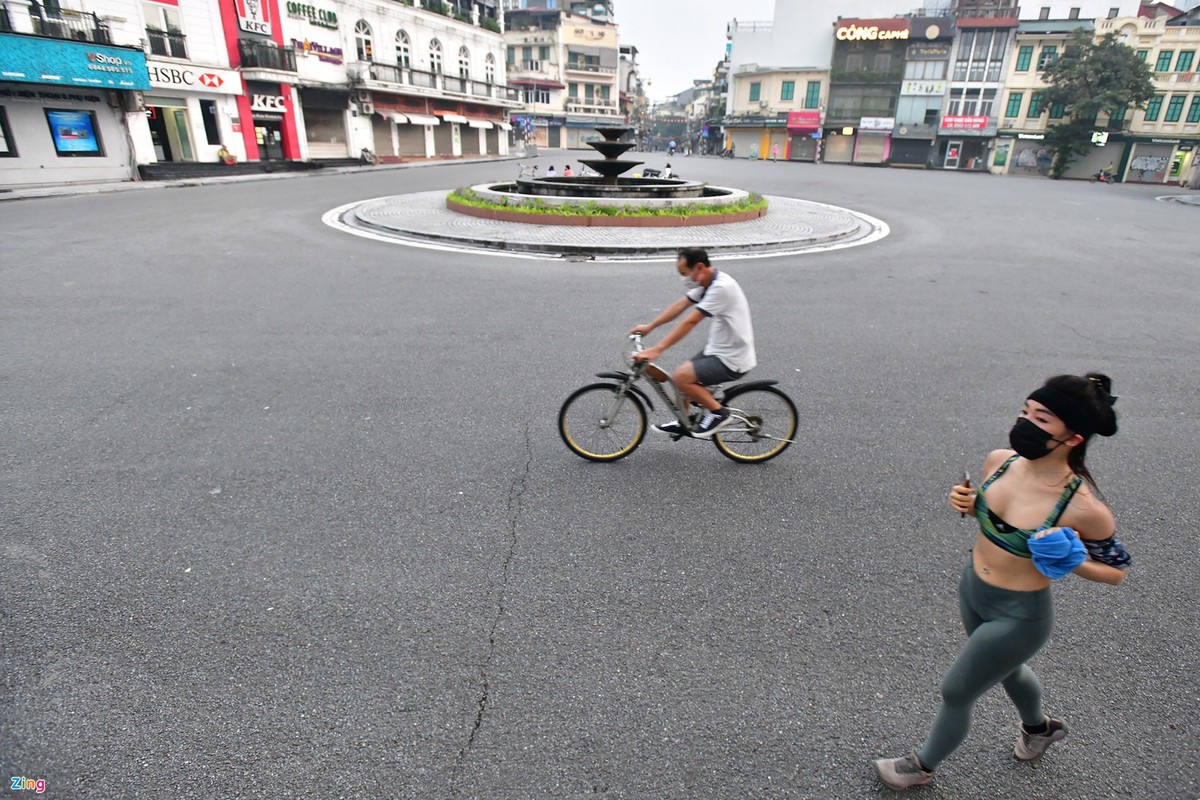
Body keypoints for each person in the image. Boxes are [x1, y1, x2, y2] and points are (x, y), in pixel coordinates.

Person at [873, 373, 1131, 790]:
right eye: (1024, 411)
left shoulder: (1084, 507)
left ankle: (920, 767)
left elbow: (1116, 573)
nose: (1025, 423)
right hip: (973, 589)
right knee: (1008, 672)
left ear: (1074, 438)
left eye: (1042, 419)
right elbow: (996, 521)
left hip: (1019, 615)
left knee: (957, 690)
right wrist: (972, 505)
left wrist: (1074, 561)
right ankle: (1040, 728)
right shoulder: (1000, 461)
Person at [629, 248, 756, 438]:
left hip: (732, 358)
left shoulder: (721, 288)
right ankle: (685, 421)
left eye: (684, 273)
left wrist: (657, 349)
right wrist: (650, 326)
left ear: (699, 267)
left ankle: (719, 413)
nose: (683, 278)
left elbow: (691, 321)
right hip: (718, 349)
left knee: (681, 377)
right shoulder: (708, 282)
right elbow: (680, 306)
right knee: (680, 379)